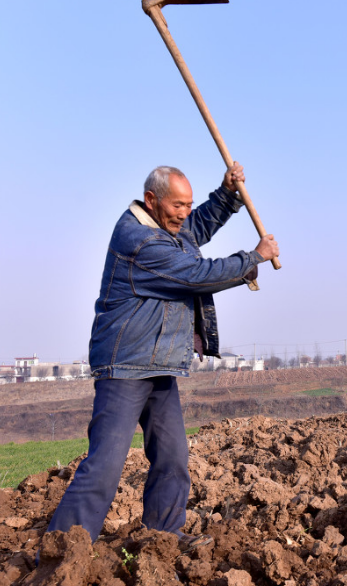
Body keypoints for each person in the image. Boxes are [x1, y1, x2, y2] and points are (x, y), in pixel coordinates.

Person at [45, 162, 278, 550]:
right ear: (151, 200)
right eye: (177, 205)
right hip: (125, 367)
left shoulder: (166, 227)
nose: (184, 213)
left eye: (188, 204)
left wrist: (226, 194)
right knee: (105, 465)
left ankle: (163, 538)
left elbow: (196, 228)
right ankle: (61, 552)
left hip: (159, 365)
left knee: (172, 457)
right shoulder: (140, 240)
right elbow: (195, 274)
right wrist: (252, 258)